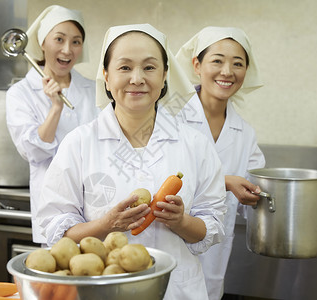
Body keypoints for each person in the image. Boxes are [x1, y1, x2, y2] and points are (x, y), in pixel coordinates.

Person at [37, 23, 227, 300]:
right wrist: (106, 225)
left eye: (149, 68)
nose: (137, 78)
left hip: (176, 291)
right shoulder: (79, 144)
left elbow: (212, 225)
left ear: (164, 76)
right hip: (101, 290)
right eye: (124, 67)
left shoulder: (195, 144)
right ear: (105, 75)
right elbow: (57, 230)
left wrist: (181, 222)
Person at [175, 26, 266, 300]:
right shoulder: (169, 116)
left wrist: (256, 197)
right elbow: (157, 177)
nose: (227, 71)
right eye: (217, 60)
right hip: (168, 245)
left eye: (237, 64)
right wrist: (225, 182)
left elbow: (255, 188)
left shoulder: (245, 133)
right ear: (197, 65)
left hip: (214, 257)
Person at [6, 5, 99, 245]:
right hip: (54, 206)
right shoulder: (21, 93)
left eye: (76, 42)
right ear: (42, 43)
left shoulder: (95, 90)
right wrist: (55, 108)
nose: (68, 50)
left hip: (97, 203)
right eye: (59, 39)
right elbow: (32, 151)